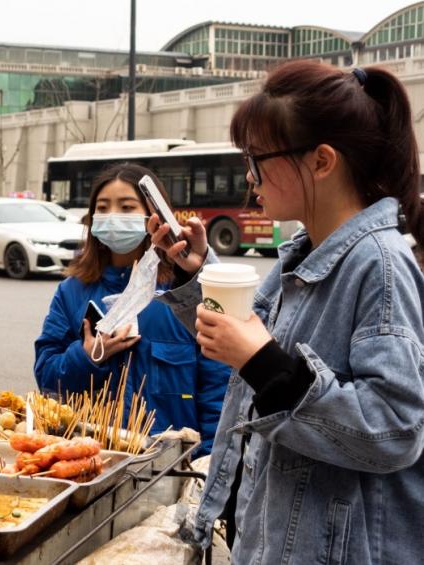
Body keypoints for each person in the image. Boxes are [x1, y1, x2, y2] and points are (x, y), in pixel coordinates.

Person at [149, 61, 424, 563]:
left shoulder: (380, 265)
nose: (249, 177)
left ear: (321, 161)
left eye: (257, 158)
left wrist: (264, 364)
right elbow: (245, 342)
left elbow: (396, 430)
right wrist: (196, 276)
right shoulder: (304, 254)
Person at [34, 163, 230, 456]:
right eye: (103, 207)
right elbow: (47, 378)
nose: (113, 216)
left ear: (154, 216)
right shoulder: (72, 290)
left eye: (127, 207)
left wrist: (209, 462)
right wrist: (88, 356)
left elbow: (217, 385)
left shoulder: (184, 293)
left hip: (167, 464)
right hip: (92, 458)